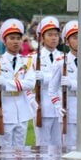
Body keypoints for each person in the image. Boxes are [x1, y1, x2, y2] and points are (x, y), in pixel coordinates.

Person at [0, 19, 36, 147]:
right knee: (4, 152)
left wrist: (6, 83)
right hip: (4, 108)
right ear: (4, 41)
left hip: (22, 109)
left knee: (19, 152)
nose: (16, 41)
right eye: (11, 38)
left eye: (18, 38)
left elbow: (30, 83)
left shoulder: (27, 61)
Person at [32, 16, 64, 147]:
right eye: (50, 35)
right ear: (42, 38)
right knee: (43, 144)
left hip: (60, 105)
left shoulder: (63, 57)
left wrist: (45, 78)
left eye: (56, 35)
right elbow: (28, 82)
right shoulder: (33, 58)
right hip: (42, 105)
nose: (54, 38)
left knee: (58, 145)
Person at [60, 20, 79, 147]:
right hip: (70, 108)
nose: (79, 40)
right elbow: (52, 89)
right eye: (75, 38)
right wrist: (58, 105)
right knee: (69, 146)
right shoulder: (61, 62)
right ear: (67, 42)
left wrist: (72, 83)